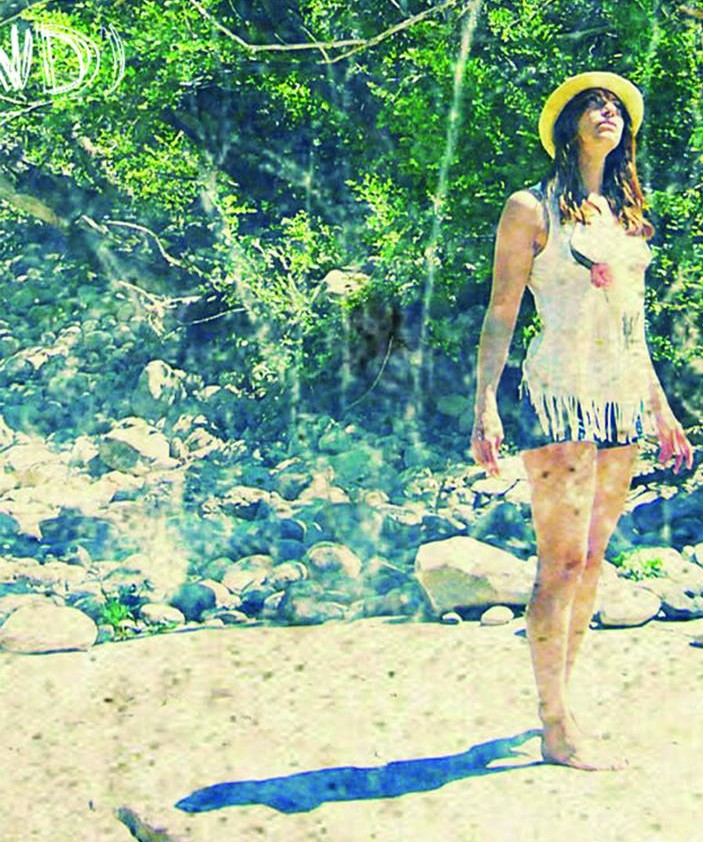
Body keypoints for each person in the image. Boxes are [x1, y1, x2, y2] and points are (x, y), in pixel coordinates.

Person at [470, 71, 694, 771]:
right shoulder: (528, 208)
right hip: (557, 399)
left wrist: (661, 408)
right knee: (560, 563)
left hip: (620, 401)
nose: (607, 112)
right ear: (568, 124)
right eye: (593, 104)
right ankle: (553, 724)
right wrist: (484, 404)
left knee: (593, 561)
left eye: (615, 107)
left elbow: (632, 326)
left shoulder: (625, 216)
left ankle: (562, 704)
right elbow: (501, 310)